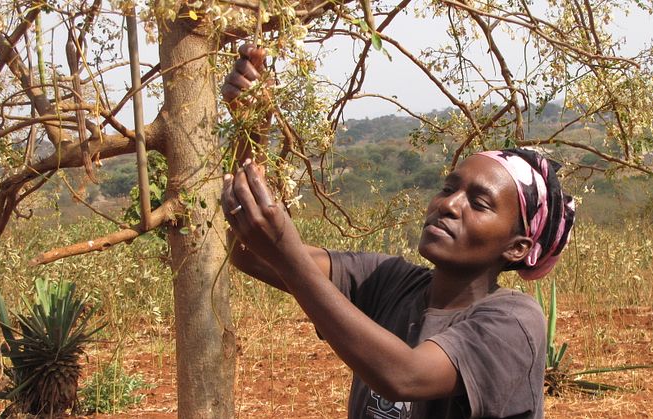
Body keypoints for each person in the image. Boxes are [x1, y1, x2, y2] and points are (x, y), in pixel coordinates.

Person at [221, 44, 576, 419]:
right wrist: (252, 130)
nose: (450, 204)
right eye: (448, 188)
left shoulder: (514, 320)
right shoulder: (389, 281)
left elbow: (405, 376)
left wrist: (286, 250)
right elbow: (251, 253)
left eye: (479, 202)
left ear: (517, 248)